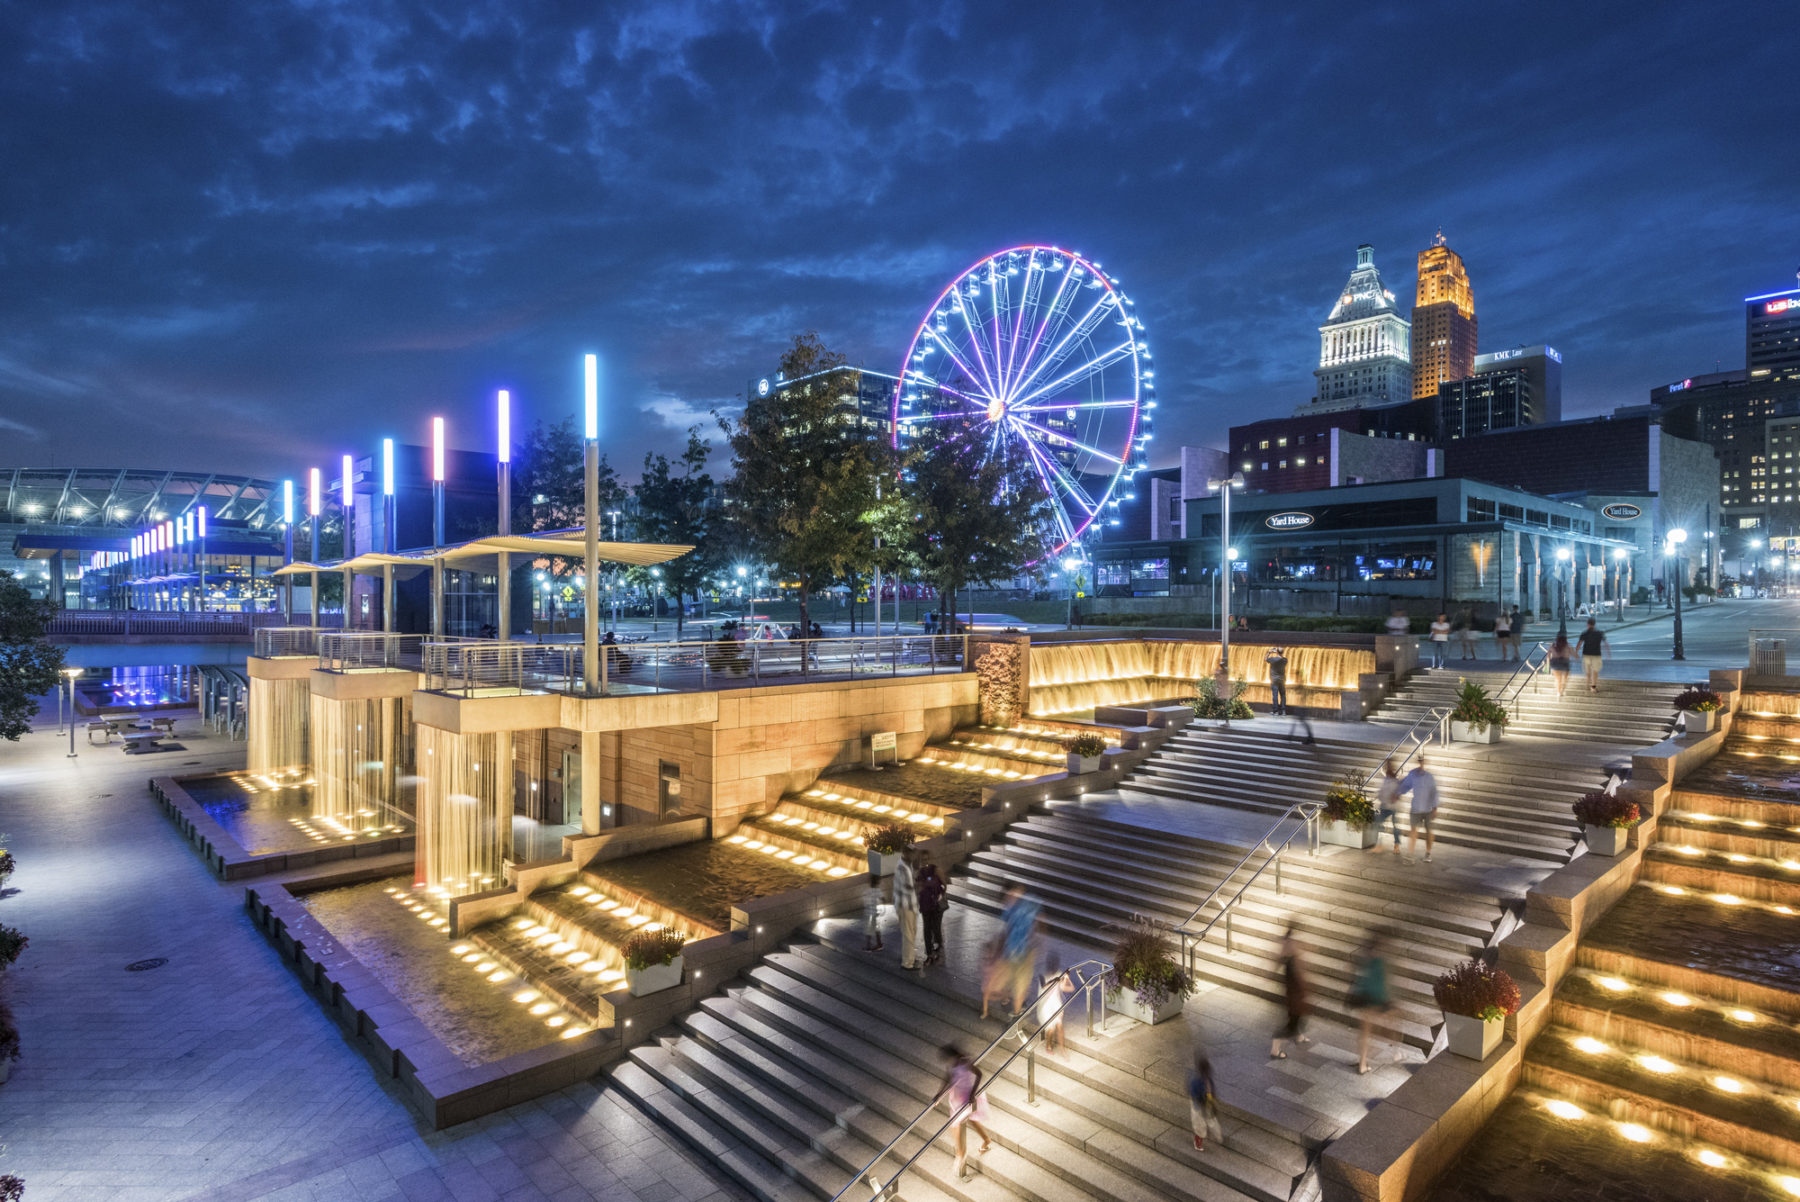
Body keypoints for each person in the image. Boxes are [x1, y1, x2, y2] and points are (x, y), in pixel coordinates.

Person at [939, 1045, 992, 1176]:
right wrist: (938, 1095)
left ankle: (960, 1155)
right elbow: (947, 1080)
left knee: (956, 1123)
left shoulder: (965, 1062)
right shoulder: (951, 1066)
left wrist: (973, 1093)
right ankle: (986, 1140)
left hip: (967, 1098)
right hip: (957, 1099)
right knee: (970, 1120)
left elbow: (979, 1074)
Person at [1348, 936, 1393, 1075]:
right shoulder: (1379, 962)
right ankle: (1362, 1063)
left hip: (1362, 999)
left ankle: (1362, 1059)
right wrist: (1385, 1002)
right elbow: (1381, 984)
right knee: (1367, 1032)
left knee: (1364, 1032)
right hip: (1372, 1000)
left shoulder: (1364, 961)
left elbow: (1355, 975)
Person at [997, 884, 1042, 1020]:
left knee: (1009, 976)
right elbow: (1037, 923)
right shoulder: (1028, 906)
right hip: (1023, 949)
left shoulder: (1009, 908)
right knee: (1022, 981)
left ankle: (1005, 999)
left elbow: (1007, 928)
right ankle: (1017, 1013)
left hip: (1010, 948)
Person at [1269, 925, 1312, 1059]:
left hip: (1293, 997)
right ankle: (1275, 1048)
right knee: (1292, 1023)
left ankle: (1299, 1036)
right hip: (1295, 998)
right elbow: (1299, 979)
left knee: (1297, 1019)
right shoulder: (1293, 961)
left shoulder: (1289, 959)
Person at [1402, 756, 1440, 864]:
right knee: (1413, 831)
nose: (1421, 764)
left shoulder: (1429, 777)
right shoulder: (1412, 774)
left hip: (1428, 808)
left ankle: (1428, 853)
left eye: (1422, 762)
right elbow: (1405, 786)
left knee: (1428, 831)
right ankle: (1411, 854)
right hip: (1416, 807)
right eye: (1420, 762)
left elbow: (1434, 792)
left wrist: (1435, 807)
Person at [1035, 957, 1075, 1055]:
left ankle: (1062, 1049)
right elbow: (1044, 986)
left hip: (1055, 1003)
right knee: (1051, 1028)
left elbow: (1067, 988)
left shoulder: (1058, 974)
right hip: (1045, 1005)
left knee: (1059, 1025)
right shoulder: (1042, 974)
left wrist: (1066, 979)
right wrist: (1054, 981)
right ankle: (1048, 1045)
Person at [1188, 1053, 1224, 1152]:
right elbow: (1193, 1093)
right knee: (1199, 1121)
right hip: (1198, 1103)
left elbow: (1211, 1089)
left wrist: (1211, 1097)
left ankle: (1217, 1136)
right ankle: (1199, 1138)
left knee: (1210, 1119)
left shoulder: (1207, 1078)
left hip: (1207, 1101)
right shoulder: (1196, 1081)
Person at [917, 859, 948, 966]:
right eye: (923, 858)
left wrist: (940, 896)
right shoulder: (920, 873)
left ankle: (938, 950)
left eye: (926, 858)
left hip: (936, 906)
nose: (924, 861)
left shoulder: (936, 870)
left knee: (936, 928)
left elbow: (944, 885)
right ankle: (929, 955)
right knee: (927, 930)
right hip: (925, 905)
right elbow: (918, 888)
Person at [893, 850, 920, 970]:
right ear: (907, 854)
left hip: (911, 904)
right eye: (913, 854)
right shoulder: (902, 868)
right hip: (905, 905)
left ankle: (910, 956)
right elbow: (908, 886)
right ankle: (907, 963)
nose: (915, 856)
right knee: (908, 933)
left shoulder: (908, 865)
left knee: (912, 931)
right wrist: (922, 885)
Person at [1374, 758, 1404, 853]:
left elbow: (1398, 793)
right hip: (1385, 806)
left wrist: (1395, 797)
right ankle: (1380, 845)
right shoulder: (1386, 780)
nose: (1386, 769)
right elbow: (1382, 791)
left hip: (1392, 807)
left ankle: (1396, 846)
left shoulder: (1394, 781)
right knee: (1379, 824)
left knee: (1394, 826)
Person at [1576, 618, 1609, 694]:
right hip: (1596, 655)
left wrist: (1576, 652)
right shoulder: (1600, 633)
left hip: (1586, 655)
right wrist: (1608, 653)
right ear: (1594, 624)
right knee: (1595, 671)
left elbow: (1579, 643)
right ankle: (1593, 687)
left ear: (1587, 624)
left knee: (1587, 671)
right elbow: (1606, 644)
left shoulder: (1584, 633)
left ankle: (1587, 683)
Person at [861, 873, 884, 952]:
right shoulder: (877, 890)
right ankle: (879, 944)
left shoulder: (867, 891)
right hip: (874, 912)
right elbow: (883, 898)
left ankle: (868, 947)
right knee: (876, 929)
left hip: (869, 913)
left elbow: (865, 902)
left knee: (869, 930)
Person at [1548, 630, 1574, 697]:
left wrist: (1547, 665)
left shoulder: (1553, 645)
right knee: (1565, 679)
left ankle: (1558, 692)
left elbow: (1548, 656)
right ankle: (1562, 690)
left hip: (1555, 663)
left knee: (1558, 678)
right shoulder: (1568, 645)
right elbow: (1574, 654)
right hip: (1565, 663)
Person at [1265, 645, 1289, 715]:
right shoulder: (1285, 660)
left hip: (1274, 680)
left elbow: (1265, 659)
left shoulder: (1273, 659)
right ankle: (1283, 711)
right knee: (1283, 695)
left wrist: (1269, 652)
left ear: (1277, 652)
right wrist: (1277, 653)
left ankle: (1276, 711)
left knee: (1275, 695)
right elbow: (1281, 657)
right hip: (1282, 680)